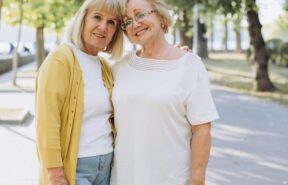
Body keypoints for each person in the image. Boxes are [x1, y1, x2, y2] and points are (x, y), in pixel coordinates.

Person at [110, 0, 219, 184]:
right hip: (124, 177)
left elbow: (202, 129)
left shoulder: (190, 65)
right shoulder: (119, 68)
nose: (135, 24)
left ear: (160, 15)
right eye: (127, 21)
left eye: (141, 14)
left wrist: (197, 179)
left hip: (171, 178)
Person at [35, 0, 124, 185]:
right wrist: (56, 176)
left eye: (111, 22)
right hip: (75, 168)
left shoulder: (105, 67)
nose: (103, 27)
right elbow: (47, 122)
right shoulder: (60, 60)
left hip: (106, 166)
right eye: (97, 17)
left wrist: (173, 57)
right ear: (82, 20)